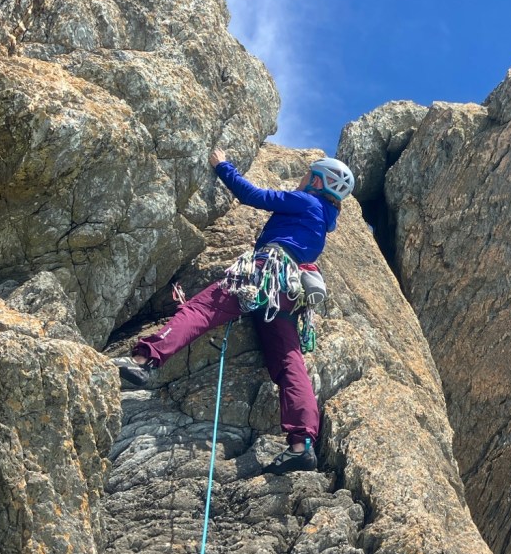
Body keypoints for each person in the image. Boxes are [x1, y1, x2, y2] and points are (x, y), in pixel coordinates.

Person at [111, 149, 354, 467]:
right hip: (289, 294)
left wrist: (223, 166)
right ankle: (301, 444)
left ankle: (144, 360)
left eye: (308, 174)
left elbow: (252, 195)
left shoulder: (306, 201)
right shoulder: (324, 220)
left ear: (318, 181)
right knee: (289, 361)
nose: (302, 178)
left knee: (202, 310)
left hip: (263, 273)